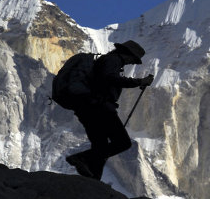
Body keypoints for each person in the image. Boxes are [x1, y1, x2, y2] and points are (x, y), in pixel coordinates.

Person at [66, 40, 154, 179]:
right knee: (122, 142)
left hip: (87, 107)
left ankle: (93, 180)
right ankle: (82, 158)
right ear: (127, 54)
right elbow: (110, 79)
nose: (131, 63)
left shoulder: (108, 60)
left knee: (100, 145)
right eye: (133, 59)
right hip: (100, 107)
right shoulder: (113, 61)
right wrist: (139, 82)